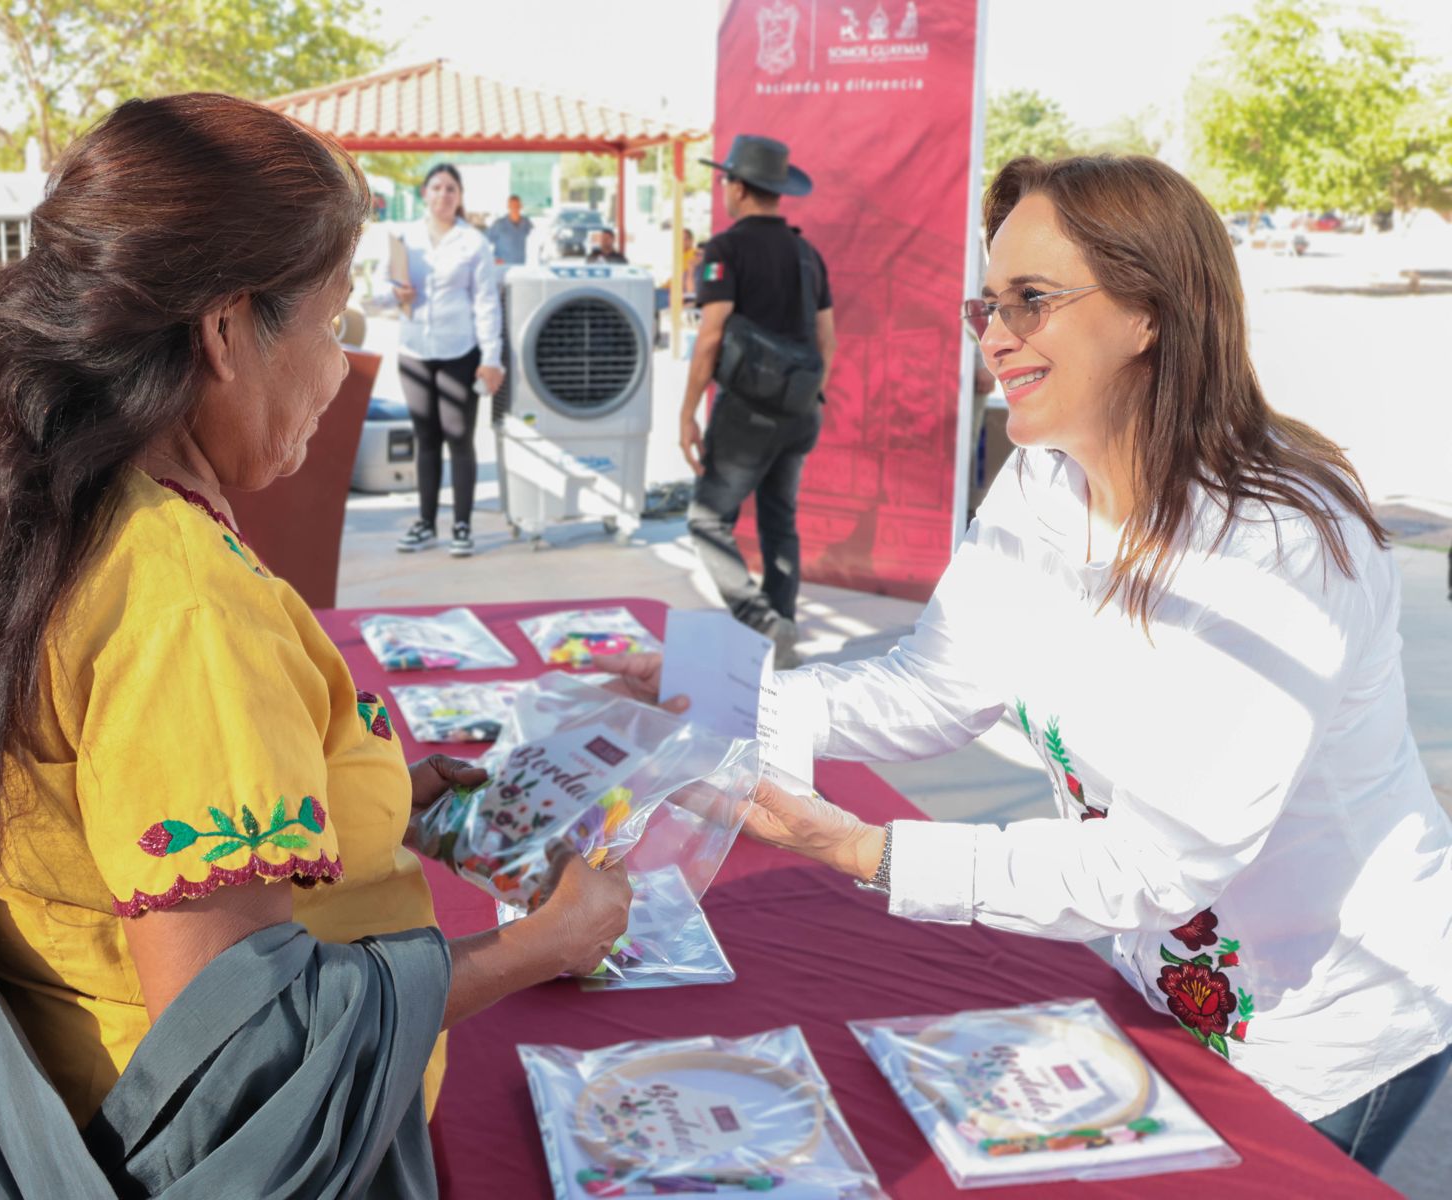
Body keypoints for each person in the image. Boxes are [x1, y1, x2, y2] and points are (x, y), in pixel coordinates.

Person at [604, 154, 1452, 1176]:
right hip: (1153, 973)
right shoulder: (1042, 486)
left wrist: (865, 852)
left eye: (1032, 301)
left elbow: (1158, 861)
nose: (994, 335)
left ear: (1149, 311)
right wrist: (735, 698)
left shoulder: (1277, 542)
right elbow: (934, 690)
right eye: (986, 303)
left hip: (1327, 1023)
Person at [0, 94, 629, 1190]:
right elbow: (247, 1042)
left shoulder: (50, 505)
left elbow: (120, 803)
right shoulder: (179, 603)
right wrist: (545, 943)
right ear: (224, 330)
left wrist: (373, 792)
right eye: (335, 325)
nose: (341, 372)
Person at [680, 135, 834, 667]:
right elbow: (826, 338)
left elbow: (710, 337)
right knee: (779, 519)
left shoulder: (724, 250)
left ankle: (761, 620)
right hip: (801, 411)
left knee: (707, 521)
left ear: (739, 187)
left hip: (747, 414)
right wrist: (807, 394)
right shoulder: (805, 252)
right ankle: (782, 630)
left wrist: (687, 413)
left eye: (726, 180)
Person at [382, 162, 504, 558]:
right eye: (436, 188)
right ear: (424, 194)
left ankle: (463, 524)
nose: (443, 195)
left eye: (451, 189)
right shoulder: (405, 239)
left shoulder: (474, 243)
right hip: (415, 349)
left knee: (458, 435)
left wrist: (492, 357)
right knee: (426, 439)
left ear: (460, 196)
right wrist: (394, 295)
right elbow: (387, 290)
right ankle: (425, 523)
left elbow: (487, 303)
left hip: (459, 351)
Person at [487, 193, 533, 266]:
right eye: (512, 205)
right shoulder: (499, 224)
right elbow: (485, 242)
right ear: (508, 206)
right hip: (502, 267)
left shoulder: (527, 223)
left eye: (517, 205)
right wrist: (493, 259)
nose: (515, 208)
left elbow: (535, 241)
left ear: (521, 206)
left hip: (520, 267)